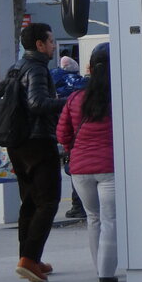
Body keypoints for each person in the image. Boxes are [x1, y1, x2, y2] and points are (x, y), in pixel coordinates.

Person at [56, 43, 120, 282]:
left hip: (80, 170)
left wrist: (76, 152)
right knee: (110, 219)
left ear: (89, 68)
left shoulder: (74, 98)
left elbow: (62, 134)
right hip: (110, 168)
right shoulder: (120, 99)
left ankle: (99, 269)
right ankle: (106, 273)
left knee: (93, 218)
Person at [12, 22, 67, 282]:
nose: (54, 46)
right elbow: (37, 103)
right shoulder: (36, 69)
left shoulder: (16, 68)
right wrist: (68, 102)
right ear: (40, 45)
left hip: (18, 143)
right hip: (38, 142)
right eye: (52, 41)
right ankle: (29, 259)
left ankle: (29, 257)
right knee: (48, 202)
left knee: (30, 203)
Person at [52, 55, 88, 219]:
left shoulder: (53, 80)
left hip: (76, 144)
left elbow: (62, 131)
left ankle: (78, 206)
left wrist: (67, 147)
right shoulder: (83, 87)